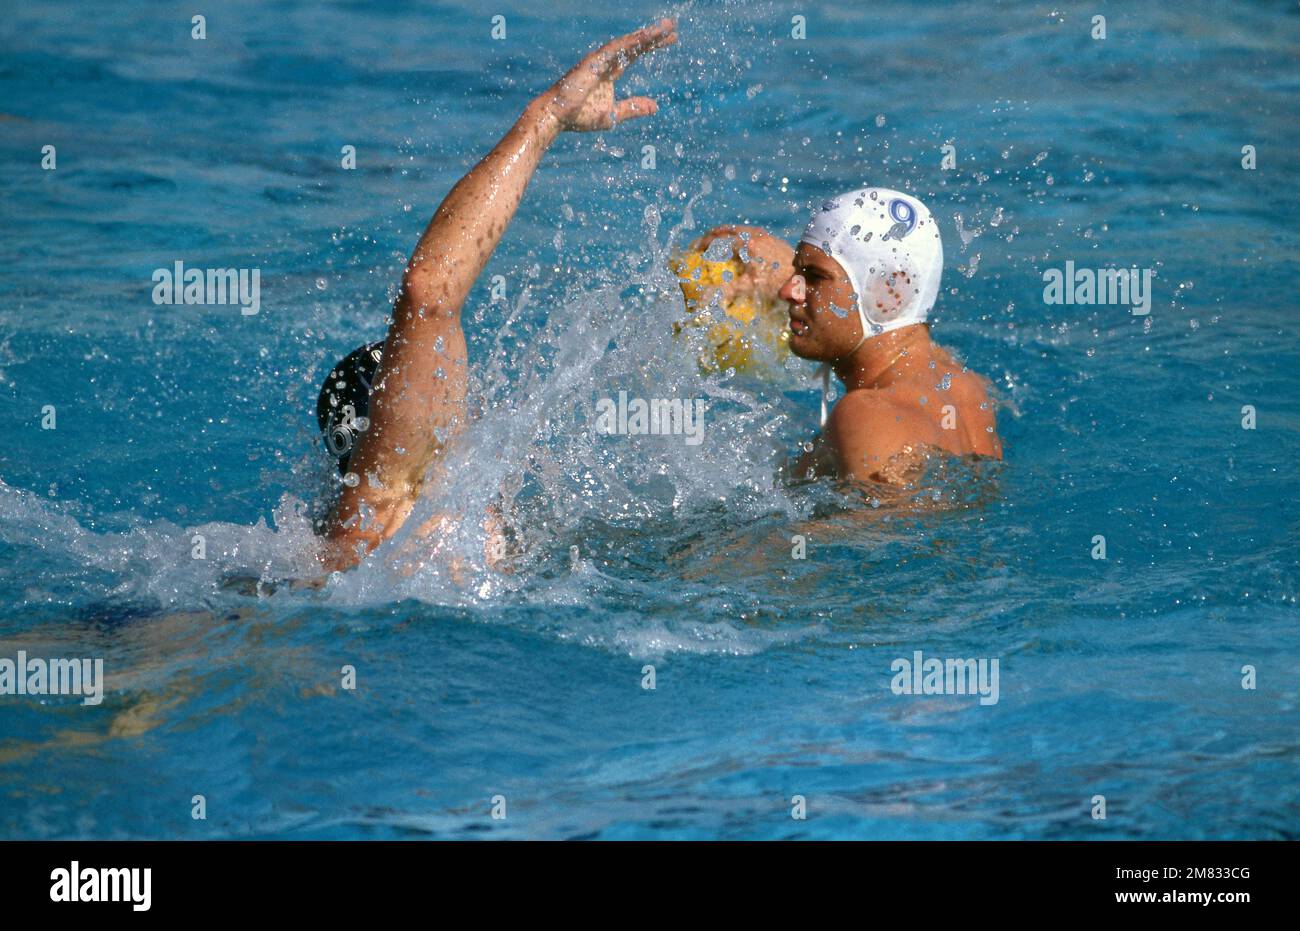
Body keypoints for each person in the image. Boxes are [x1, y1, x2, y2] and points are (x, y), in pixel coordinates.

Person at [315, 19, 678, 572]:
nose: (468, 406)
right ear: (396, 428)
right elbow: (429, 292)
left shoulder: (416, 526)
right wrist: (546, 118)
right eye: (450, 400)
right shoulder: (387, 507)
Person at [778, 187, 1002, 484]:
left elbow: (879, 530)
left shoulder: (867, 414)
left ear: (890, 292)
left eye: (814, 277)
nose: (787, 291)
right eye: (796, 272)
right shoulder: (968, 388)